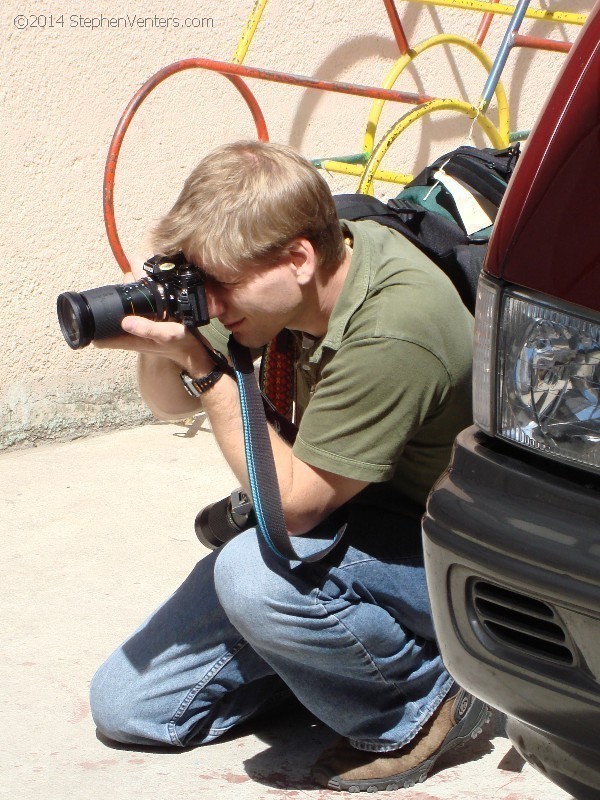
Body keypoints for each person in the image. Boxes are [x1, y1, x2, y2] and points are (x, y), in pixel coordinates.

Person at [90, 140, 487, 792]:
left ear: (299, 258)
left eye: (219, 284)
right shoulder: (261, 290)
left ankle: (419, 701)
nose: (211, 302)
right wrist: (156, 340)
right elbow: (167, 404)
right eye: (201, 283)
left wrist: (207, 372)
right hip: (350, 524)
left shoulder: (393, 324)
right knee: (129, 706)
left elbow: (294, 507)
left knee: (251, 573)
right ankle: (325, 658)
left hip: (439, 553)